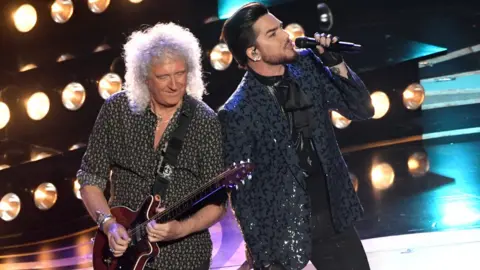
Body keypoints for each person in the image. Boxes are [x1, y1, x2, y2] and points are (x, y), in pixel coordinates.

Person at [218, 2, 374, 270]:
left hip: (333, 215)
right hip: (283, 230)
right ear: (253, 52)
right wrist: (260, 254)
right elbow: (243, 195)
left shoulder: (308, 65)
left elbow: (362, 109)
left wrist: (335, 62)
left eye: (280, 28)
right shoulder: (237, 111)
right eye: (272, 34)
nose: (285, 35)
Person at [77, 22, 227, 270]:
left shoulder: (204, 121)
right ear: (144, 77)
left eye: (180, 73)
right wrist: (108, 224)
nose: (174, 84)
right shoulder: (117, 110)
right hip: (119, 256)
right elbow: (90, 176)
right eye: (163, 76)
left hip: (184, 258)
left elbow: (218, 203)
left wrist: (181, 228)